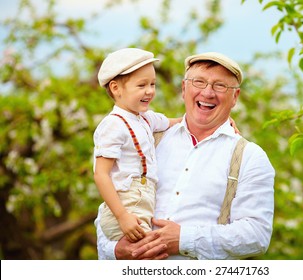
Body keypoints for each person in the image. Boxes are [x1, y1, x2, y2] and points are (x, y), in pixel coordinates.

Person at [94, 51, 275, 260]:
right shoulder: (147, 137)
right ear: (183, 88)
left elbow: (257, 235)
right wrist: (115, 251)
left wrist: (184, 239)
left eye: (220, 86)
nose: (207, 93)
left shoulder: (249, 157)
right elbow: (110, 209)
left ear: (235, 97)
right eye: (199, 82)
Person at [93, 48, 181, 242]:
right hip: (127, 204)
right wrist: (122, 216)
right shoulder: (113, 124)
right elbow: (101, 174)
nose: (149, 91)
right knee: (151, 250)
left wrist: (220, 122)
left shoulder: (145, 118)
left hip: (143, 202)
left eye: (153, 84)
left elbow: (179, 121)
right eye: (141, 85)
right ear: (116, 88)